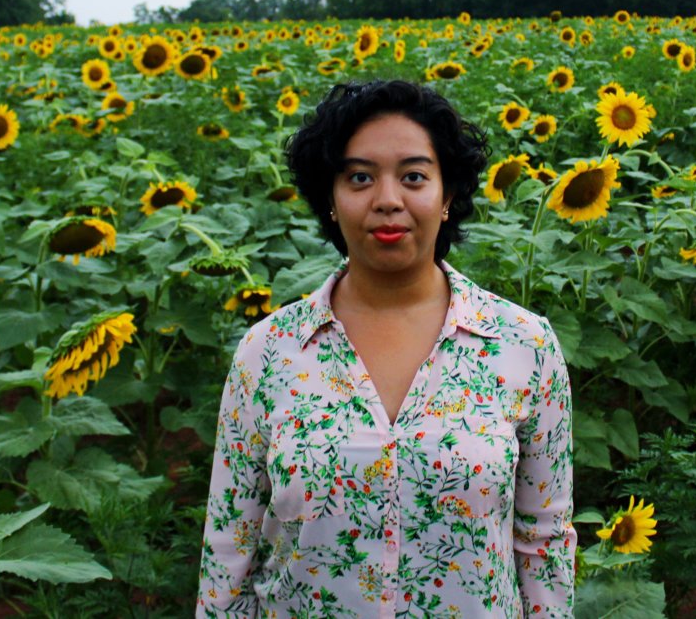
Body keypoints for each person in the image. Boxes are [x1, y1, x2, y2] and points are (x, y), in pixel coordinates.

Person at [196, 79, 575, 618]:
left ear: (447, 196)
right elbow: (228, 549)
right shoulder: (268, 352)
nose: (388, 200)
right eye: (359, 177)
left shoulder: (525, 346)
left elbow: (545, 543)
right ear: (329, 200)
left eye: (414, 176)